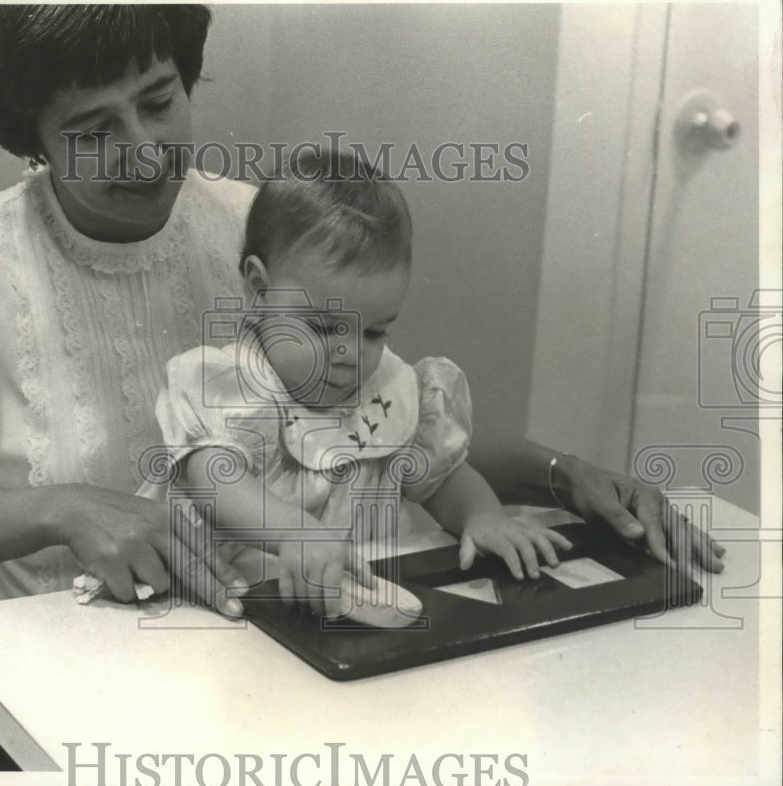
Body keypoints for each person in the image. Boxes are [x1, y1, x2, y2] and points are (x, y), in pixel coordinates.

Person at [0, 4, 723, 617]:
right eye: (94, 132)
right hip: (60, 653)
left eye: (159, 102)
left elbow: (379, 421)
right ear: (27, 137)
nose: (144, 156)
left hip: (256, 631)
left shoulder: (253, 223)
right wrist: (62, 510)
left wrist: (564, 475)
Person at [79, 149, 578, 619]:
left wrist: (481, 515)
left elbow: (442, 478)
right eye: (321, 327)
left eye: (374, 331)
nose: (348, 355)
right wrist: (296, 531)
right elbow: (215, 483)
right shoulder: (225, 383)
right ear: (259, 288)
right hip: (216, 609)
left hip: (338, 612)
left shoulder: (390, 391)